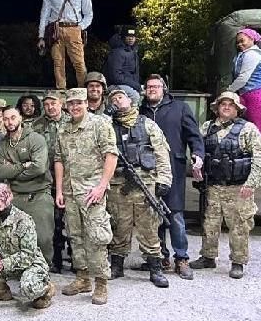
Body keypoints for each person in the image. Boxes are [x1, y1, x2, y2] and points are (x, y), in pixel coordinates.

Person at [190, 92, 261, 279]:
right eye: (223, 104)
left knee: (239, 225)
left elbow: (260, 158)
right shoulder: (207, 127)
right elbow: (198, 149)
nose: (226, 107)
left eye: (231, 105)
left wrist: (252, 184)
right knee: (210, 222)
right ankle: (208, 256)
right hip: (214, 186)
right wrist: (196, 165)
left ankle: (238, 261)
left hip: (238, 187)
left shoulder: (247, 129)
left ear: (237, 109)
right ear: (217, 107)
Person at [53, 88, 118, 305]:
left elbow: (111, 156)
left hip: (92, 192)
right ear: (67, 106)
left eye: (78, 103)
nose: (75, 107)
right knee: (75, 236)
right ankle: (82, 278)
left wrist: (102, 186)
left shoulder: (100, 125)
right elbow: (59, 160)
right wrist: (60, 190)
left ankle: (101, 283)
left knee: (97, 237)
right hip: (71, 192)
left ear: (86, 103)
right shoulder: (63, 129)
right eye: (71, 104)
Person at [105, 86, 173, 288]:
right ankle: (117, 265)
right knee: (119, 226)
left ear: (132, 100)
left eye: (120, 97)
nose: (116, 101)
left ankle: (155, 268)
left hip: (145, 183)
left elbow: (161, 154)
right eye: (113, 99)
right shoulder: (107, 125)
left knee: (149, 228)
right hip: (118, 185)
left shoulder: (147, 125)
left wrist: (164, 181)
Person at [140, 74, 204, 279]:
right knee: (153, 215)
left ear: (164, 89)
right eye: (149, 86)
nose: (152, 89)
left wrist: (198, 154)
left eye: (156, 86)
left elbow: (194, 135)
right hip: (147, 170)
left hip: (173, 169)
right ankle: (160, 258)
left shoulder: (180, 108)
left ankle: (182, 259)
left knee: (175, 215)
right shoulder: (139, 110)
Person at [0, 183, 56, 309]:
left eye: (2, 196)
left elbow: (28, 254)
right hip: (4, 261)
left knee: (29, 289)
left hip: (29, 263)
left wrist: (3, 264)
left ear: (11, 196)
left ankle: (46, 289)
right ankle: (2, 290)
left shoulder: (23, 220)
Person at [0, 107, 55, 265]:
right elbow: (0, 171)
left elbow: (39, 167)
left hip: (38, 194)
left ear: (20, 118)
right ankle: (21, 270)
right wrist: (23, 166)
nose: (9, 122)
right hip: (15, 195)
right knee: (12, 237)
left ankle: (43, 271)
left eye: (13, 117)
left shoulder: (35, 139)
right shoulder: (2, 144)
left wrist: (13, 170)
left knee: (43, 237)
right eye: (6, 119)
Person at [37, 0, 93, 89]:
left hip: (74, 28)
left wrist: (80, 27)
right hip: (55, 30)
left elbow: (89, 14)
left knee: (79, 63)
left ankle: (83, 92)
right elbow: (44, 15)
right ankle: (61, 92)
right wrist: (41, 36)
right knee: (58, 63)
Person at [32, 90, 69, 273]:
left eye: (53, 103)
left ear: (61, 103)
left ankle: (79, 259)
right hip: (46, 180)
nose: (50, 107)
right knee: (52, 220)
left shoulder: (71, 121)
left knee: (71, 220)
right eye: (46, 104)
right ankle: (56, 258)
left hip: (70, 178)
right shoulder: (36, 125)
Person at [226, 27, 261, 149]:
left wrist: (228, 91)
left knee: (260, 132)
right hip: (250, 95)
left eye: (242, 40)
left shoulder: (252, 55)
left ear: (252, 39)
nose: (240, 44)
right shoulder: (243, 54)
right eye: (238, 42)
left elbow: (243, 78)